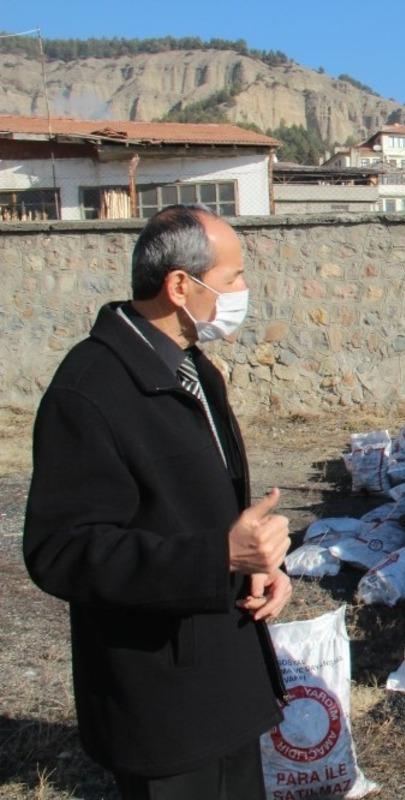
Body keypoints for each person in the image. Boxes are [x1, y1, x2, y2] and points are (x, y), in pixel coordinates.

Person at [24, 205, 293, 800]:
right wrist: (218, 558)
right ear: (180, 286)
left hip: (226, 675)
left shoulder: (195, 370)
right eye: (231, 279)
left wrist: (262, 567)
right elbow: (62, 550)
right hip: (160, 701)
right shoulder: (90, 389)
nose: (243, 292)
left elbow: (203, 510)